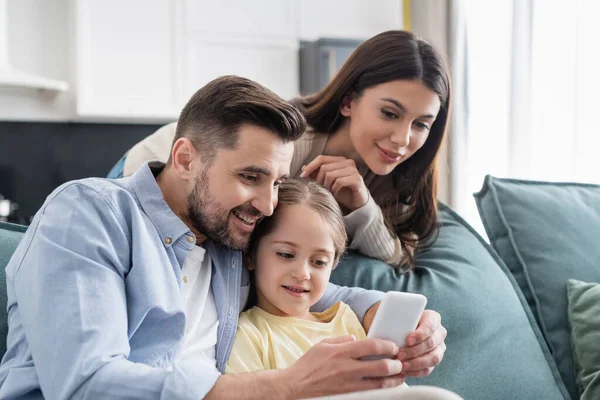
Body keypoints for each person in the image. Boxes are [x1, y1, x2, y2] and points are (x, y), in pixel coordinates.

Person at [0, 76, 447, 399]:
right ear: (184, 158)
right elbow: (87, 385)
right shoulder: (89, 213)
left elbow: (326, 290)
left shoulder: (229, 238)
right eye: (251, 176)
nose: (268, 204)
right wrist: (286, 385)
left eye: (276, 182)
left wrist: (400, 321)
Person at [108, 30, 451, 270]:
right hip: (151, 166)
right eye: (389, 114)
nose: (402, 139)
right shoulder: (291, 146)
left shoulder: (403, 175)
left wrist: (362, 208)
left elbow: (400, 257)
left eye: (421, 124)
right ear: (348, 101)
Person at [226, 178, 408, 391]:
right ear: (251, 255)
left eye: (319, 262)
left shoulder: (347, 320)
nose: (303, 274)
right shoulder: (248, 335)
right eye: (286, 254)